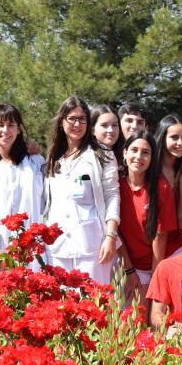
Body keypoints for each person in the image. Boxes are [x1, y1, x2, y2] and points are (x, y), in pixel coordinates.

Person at [43, 97, 121, 284]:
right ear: (62, 122)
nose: (77, 124)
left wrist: (110, 235)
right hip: (58, 246)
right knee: (62, 306)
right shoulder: (54, 157)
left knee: (94, 305)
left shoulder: (101, 154)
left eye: (82, 119)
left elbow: (112, 195)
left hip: (92, 245)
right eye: (72, 118)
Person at [0, 104, 46, 257]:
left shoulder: (35, 162)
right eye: (0, 125)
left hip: (32, 247)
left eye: (11, 125)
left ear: (18, 129)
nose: (5, 130)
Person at [117, 132, 178, 303]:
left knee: (151, 315)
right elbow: (116, 234)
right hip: (130, 265)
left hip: (160, 262)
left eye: (145, 152)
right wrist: (129, 271)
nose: (138, 157)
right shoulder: (115, 187)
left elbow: (161, 236)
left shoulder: (161, 187)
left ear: (152, 157)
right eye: (134, 150)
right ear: (124, 153)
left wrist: (154, 279)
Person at [154, 115, 182, 255]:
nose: (180, 143)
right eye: (174, 137)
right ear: (162, 138)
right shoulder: (150, 170)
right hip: (151, 246)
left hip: (180, 246)